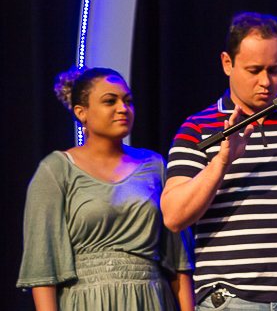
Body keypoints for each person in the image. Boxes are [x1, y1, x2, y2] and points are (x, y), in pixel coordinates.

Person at [161, 12, 277, 311]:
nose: (266, 81)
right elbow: (173, 216)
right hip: (228, 299)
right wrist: (222, 161)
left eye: (275, 69)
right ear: (227, 63)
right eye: (254, 70)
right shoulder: (197, 128)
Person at [18, 67, 194, 311]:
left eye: (128, 101)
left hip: (150, 299)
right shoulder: (55, 170)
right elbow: (43, 269)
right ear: (82, 113)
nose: (123, 108)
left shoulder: (155, 165)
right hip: (86, 301)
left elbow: (179, 259)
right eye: (110, 101)